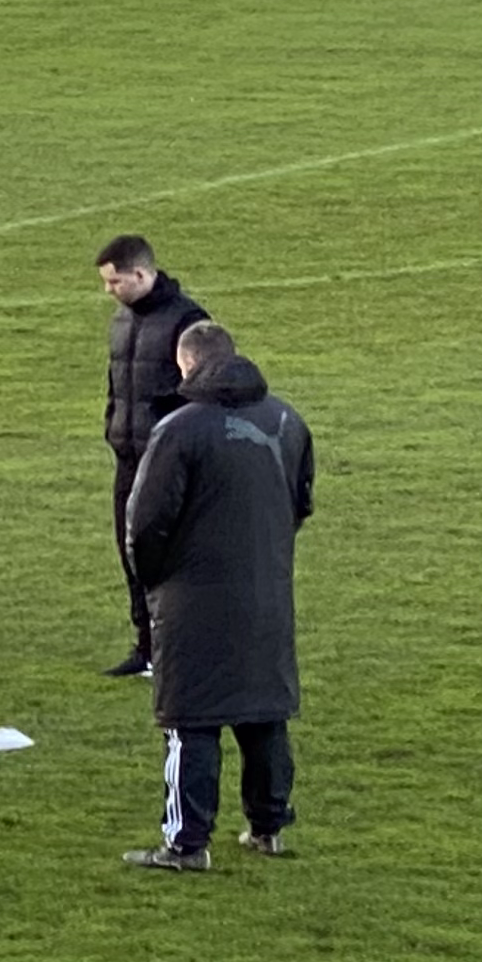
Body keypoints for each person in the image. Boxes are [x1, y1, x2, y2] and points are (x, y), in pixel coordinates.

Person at [125, 320, 314, 871]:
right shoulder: (288, 420)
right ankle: (268, 827)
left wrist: (156, 580)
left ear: (188, 365)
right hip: (267, 589)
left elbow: (145, 523)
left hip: (193, 597)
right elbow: (300, 503)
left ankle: (186, 844)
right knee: (264, 713)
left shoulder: (180, 430)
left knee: (191, 718)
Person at [96, 235, 206, 679]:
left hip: (166, 459)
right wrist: (113, 424)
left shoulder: (187, 319)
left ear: (141, 274)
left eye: (115, 281)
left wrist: (166, 424)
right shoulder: (123, 322)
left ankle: (184, 647)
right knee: (132, 551)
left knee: (174, 555)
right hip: (127, 456)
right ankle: (146, 648)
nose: (110, 291)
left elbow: (200, 386)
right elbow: (116, 382)